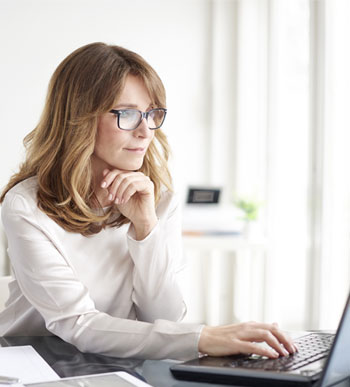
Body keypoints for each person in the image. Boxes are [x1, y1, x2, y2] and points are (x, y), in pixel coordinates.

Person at [0, 42, 296, 360]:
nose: (145, 131)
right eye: (127, 114)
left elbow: (164, 320)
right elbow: (78, 324)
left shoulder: (158, 199)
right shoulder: (26, 206)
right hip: (31, 357)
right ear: (79, 118)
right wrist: (204, 336)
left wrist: (146, 228)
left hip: (116, 359)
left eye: (151, 114)